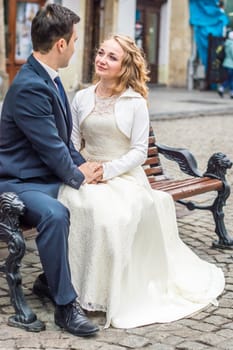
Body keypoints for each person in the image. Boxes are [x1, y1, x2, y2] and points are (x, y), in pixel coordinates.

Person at [57, 34, 225, 329]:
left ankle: (105, 293)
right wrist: (84, 169)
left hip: (124, 178)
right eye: (100, 53)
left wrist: (106, 172)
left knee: (110, 217)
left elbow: (137, 153)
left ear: (124, 67)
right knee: (69, 202)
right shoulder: (82, 97)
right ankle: (71, 289)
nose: (102, 60)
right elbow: (71, 141)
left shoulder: (134, 102)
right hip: (88, 172)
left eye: (111, 57)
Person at [0, 3, 102, 337]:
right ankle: (65, 306)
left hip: (41, 176)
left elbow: (62, 142)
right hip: (17, 182)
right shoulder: (31, 86)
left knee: (97, 200)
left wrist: (82, 167)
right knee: (55, 214)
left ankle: (48, 280)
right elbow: (50, 148)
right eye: (74, 40)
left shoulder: (49, 79)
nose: (75, 46)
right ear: (61, 44)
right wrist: (77, 175)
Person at [217, 30, 233, 98]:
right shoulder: (231, 44)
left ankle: (222, 88)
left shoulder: (226, 43)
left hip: (226, 63)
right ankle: (231, 92)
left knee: (229, 79)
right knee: (231, 79)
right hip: (231, 65)